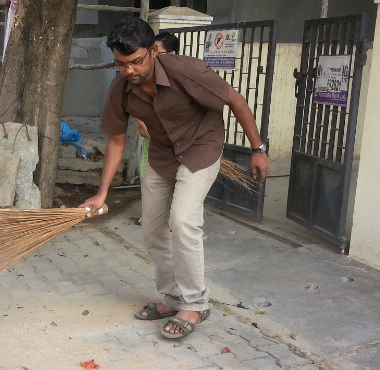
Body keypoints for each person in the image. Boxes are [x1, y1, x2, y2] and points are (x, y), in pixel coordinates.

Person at [80, 18, 269, 340]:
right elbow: (116, 140)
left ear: (153, 51)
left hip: (201, 148)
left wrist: (258, 148)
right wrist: (102, 194)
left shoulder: (188, 71)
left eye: (135, 62)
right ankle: (172, 299)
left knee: (183, 222)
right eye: (120, 64)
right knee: (153, 229)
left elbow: (235, 101)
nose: (128, 71)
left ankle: (196, 303)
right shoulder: (121, 87)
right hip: (162, 155)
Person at [134, 31, 180, 225]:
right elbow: (136, 101)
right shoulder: (147, 74)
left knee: (178, 180)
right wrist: (142, 123)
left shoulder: (182, 77)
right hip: (151, 140)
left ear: (172, 54)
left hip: (177, 143)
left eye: (156, 51)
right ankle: (151, 215)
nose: (152, 55)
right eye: (150, 50)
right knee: (149, 176)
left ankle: (176, 219)